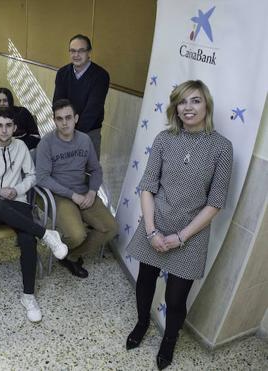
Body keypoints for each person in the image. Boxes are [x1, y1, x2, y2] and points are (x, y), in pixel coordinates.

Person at [125, 80, 233, 369]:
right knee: (145, 280)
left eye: (195, 101)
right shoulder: (164, 139)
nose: (188, 107)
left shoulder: (222, 147)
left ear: (206, 105)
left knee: (175, 298)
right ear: (175, 107)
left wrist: (181, 237)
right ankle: (142, 322)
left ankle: (169, 340)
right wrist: (151, 231)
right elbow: (147, 186)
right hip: (156, 222)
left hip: (192, 233)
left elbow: (215, 202)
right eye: (182, 102)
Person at [0, 108, 67, 323]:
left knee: (27, 239)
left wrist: (18, 189)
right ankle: (47, 234)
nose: (4, 130)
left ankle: (28, 296)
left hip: (17, 201)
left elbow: (32, 176)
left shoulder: (20, 147)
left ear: (14, 128)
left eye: (8, 125)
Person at [35, 99, 117, 278]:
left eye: (68, 117)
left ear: (76, 118)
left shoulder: (84, 140)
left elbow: (95, 169)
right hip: (58, 195)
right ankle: (62, 245)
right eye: (59, 119)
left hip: (83, 191)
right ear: (54, 120)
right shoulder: (46, 143)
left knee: (110, 228)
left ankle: (70, 255)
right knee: (77, 235)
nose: (64, 123)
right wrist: (72, 195)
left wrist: (92, 191)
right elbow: (41, 177)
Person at [53, 34, 109, 158]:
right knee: (63, 171)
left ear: (89, 52)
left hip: (89, 133)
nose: (76, 55)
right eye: (73, 51)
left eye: (81, 51)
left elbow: (93, 110)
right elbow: (57, 104)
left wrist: (73, 135)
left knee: (87, 173)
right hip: (64, 130)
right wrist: (64, 129)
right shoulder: (62, 73)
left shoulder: (101, 76)